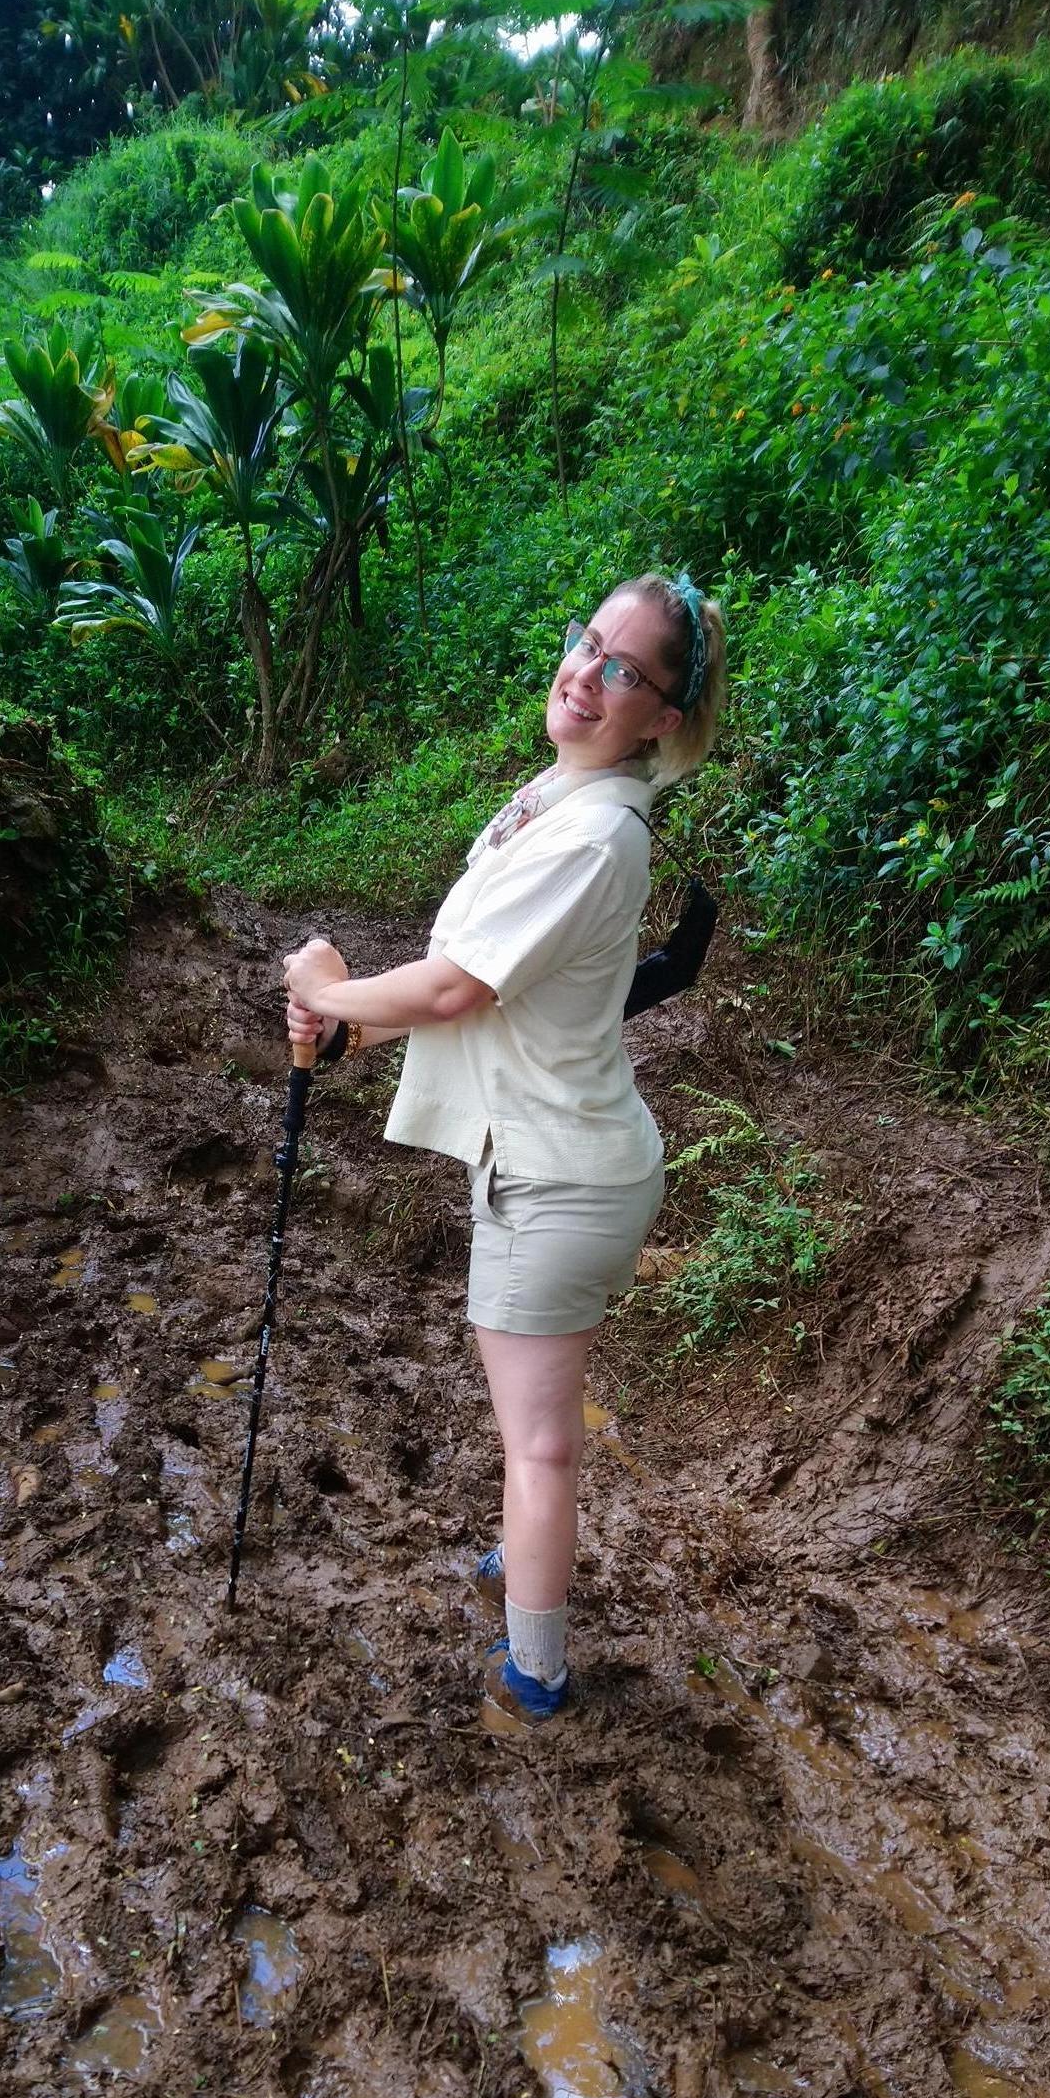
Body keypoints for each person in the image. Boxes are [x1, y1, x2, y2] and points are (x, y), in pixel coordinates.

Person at [283, 574, 725, 1723]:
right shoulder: (555, 796)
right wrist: (342, 1028)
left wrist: (332, 989)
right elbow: (476, 990)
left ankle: (534, 1669)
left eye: (623, 669)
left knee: (539, 1446)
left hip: (558, 1178)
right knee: (526, 1425)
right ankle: (523, 1558)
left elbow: (454, 983)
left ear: (661, 719)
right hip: (544, 1156)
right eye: (588, 642)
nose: (585, 672)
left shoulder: (590, 837)